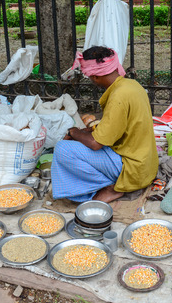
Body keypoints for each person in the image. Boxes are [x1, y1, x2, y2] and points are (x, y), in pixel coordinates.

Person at [51, 46, 158, 203]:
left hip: (132, 169)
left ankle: (112, 187)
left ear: (94, 77)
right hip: (147, 164)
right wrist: (86, 131)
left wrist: (74, 132)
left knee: (62, 149)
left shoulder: (118, 96)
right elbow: (120, 126)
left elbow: (96, 144)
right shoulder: (132, 85)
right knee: (81, 140)